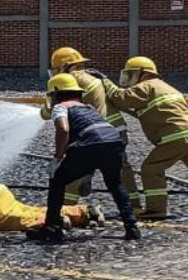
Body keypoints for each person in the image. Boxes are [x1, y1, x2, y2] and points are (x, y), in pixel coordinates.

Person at [94, 57, 188, 220]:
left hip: (176, 137)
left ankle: (156, 210)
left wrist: (105, 81)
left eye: (131, 74)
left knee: (151, 168)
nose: (129, 78)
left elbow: (121, 99)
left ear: (143, 73)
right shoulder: (167, 87)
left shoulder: (147, 86)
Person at [26, 74, 141, 243]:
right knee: (115, 184)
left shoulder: (60, 107)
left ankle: (52, 229)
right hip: (114, 143)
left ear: (56, 93)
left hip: (89, 145)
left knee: (57, 181)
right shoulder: (88, 107)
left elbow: (63, 130)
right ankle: (132, 228)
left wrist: (57, 158)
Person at [40, 47, 139, 208]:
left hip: (92, 132)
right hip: (116, 131)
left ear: (65, 66)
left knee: (75, 166)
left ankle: (67, 207)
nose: (56, 73)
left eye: (57, 69)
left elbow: (50, 109)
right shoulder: (94, 76)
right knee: (121, 169)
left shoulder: (70, 79)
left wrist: (43, 112)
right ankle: (133, 205)